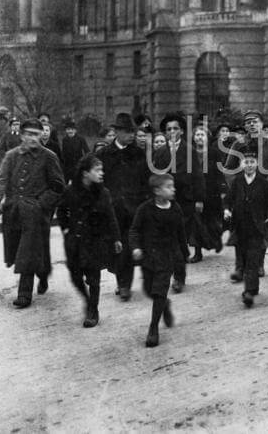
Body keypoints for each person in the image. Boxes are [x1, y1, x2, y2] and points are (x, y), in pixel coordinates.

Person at [0, 119, 66, 308]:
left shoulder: (49, 156)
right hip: (13, 211)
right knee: (20, 251)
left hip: (36, 214)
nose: (32, 138)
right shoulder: (11, 156)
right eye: (28, 134)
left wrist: (40, 204)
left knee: (27, 251)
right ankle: (43, 272)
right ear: (21, 135)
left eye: (36, 134)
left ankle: (24, 293)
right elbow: (0, 181)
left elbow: (58, 187)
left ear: (41, 136)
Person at [57, 154, 122, 327]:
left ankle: (93, 310)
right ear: (85, 173)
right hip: (75, 241)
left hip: (95, 241)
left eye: (102, 169)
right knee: (76, 276)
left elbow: (111, 216)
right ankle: (88, 301)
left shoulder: (103, 193)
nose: (102, 173)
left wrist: (116, 238)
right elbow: (61, 210)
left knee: (94, 278)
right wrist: (65, 228)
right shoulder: (70, 191)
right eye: (97, 170)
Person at [96, 113, 150, 301]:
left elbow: (146, 180)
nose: (132, 135)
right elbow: (97, 182)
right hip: (113, 210)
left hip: (134, 208)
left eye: (133, 132)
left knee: (129, 246)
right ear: (117, 132)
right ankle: (121, 281)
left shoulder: (138, 153)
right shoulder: (103, 154)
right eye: (127, 132)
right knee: (116, 248)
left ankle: (124, 284)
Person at [130, 174, 186, 347]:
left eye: (173, 186)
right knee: (148, 290)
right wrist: (135, 248)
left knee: (159, 291)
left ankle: (153, 328)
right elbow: (134, 230)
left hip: (167, 256)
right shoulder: (145, 209)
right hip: (148, 256)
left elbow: (181, 234)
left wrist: (183, 255)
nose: (173, 189)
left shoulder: (176, 209)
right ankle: (165, 305)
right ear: (157, 191)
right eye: (169, 187)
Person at [223, 110, 268, 281]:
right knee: (239, 231)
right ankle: (240, 266)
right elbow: (228, 168)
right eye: (248, 122)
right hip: (242, 194)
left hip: (262, 195)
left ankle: (258, 265)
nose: (252, 125)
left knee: (260, 231)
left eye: (255, 121)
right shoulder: (238, 145)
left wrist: (266, 187)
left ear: (262, 124)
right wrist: (237, 187)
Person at [153, 112, 205, 293]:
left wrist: (199, 199)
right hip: (164, 202)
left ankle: (179, 277)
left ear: (182, 131)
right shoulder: (159, 152)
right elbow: (155, 176)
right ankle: (166, 275)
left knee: (179, 240)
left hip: (185, 201)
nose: (172, 132)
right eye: (169, 129)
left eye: (175, 128)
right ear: (165, 133)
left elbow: (198, 176)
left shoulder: (189, 150)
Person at [224, 143, 268, 307]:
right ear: (241, 164)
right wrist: (226, 210)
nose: (249, 165)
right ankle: (253, 287)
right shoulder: (237, 181)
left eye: (252, 162)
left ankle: (248, 291)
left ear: (257, 164)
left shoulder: (263, 183)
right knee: (244, 258)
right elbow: (228, 199)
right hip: (239, 226)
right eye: (246, 162)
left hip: (256, 227)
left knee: (253, 259)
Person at [189, 125, 225, 262]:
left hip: (212, 192)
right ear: (193, 137)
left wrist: (222, 190)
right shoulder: (190, 153)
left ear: (207, 137)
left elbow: (219, 172)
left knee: (213, 221)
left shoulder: (214, 153)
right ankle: (198, 253)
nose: (199, 137)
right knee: (197, 222)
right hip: (196, 192)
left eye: (202, 135)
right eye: (197, 135)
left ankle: (217, 240)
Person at [61, 119, 90, 184]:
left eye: (72, 129)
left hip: (78, 164)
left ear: (75, 130)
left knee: (78, 182)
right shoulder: (64, 140)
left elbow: (87, 151)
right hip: (68, 166)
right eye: (68, 129)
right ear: (66, 130)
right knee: (67, 182)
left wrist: (83, 162)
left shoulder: (81, 139)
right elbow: (63, 153)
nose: (70, 131)